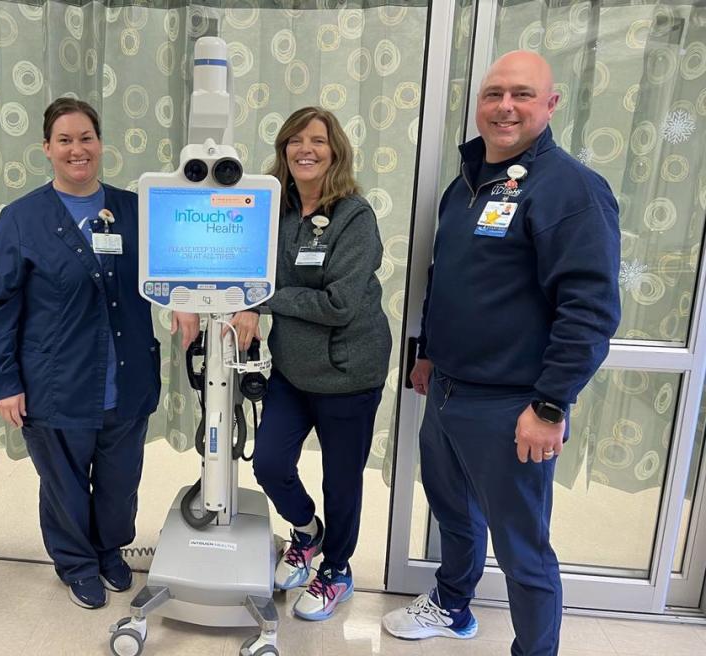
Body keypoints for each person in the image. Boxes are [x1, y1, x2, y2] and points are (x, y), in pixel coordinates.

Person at [381, 51, 620, 655]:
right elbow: (451, 276)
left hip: (514, 405)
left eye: (521, 94)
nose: (504, 107)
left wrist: (549, 404)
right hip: (448, 391)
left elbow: (589, 311)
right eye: (493, 95)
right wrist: (429, 354)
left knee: (523, 549)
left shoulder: (571, 190)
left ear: (550, 104)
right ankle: (453, 605)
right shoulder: (468, 182)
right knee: (454, 515)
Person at [0, 98, 197, 610]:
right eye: (66, 140)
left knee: (119, 485)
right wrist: (5, 380)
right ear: (47, 149)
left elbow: (173, 260)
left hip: (127, 379)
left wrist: (183, 301)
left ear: (101, 143)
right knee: (65, 487)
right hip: (56, 382)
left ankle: (109, 550)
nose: (78, 149)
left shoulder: (133, 209)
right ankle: (76, 563)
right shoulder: (23, 218)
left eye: (87, 138)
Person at [229, 107, 391, 621]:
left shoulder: (354, 216)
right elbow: (246, 267)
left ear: (334, 150)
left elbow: (340, 304)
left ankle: (337, 570)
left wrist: (266, 299)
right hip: (294, 370)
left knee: (341, 481)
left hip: (349, 371)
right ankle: (307, 532)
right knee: (269, 461)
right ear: (283, 150)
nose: (306, 148)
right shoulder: (273, 211)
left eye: (317, 140)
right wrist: (240, 298)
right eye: (295, 140)